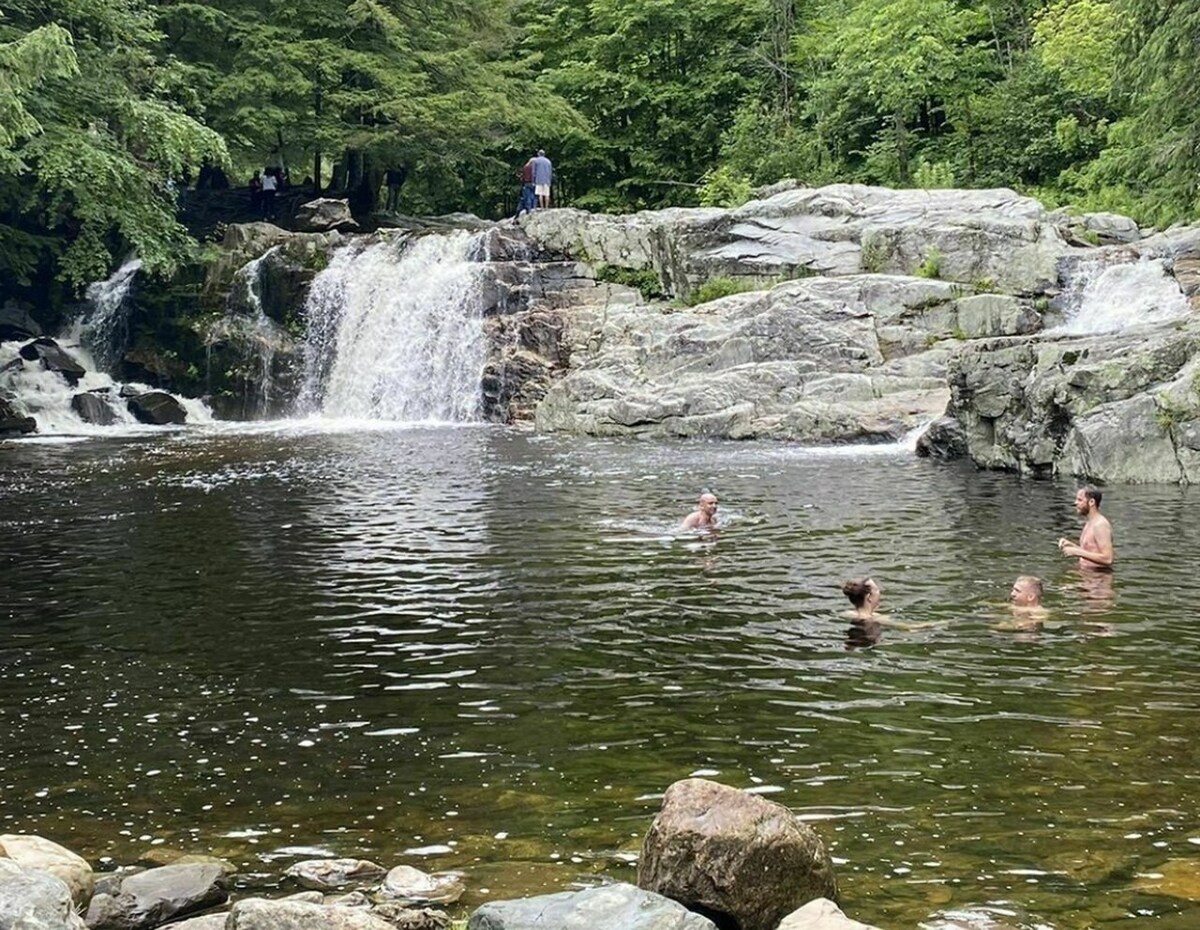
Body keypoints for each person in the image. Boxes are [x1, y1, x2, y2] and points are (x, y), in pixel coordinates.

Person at [1057, 486, 1114, 571]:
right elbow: (1091, 551)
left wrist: (1077, 552)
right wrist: (1072, 546)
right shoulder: (1090, 523)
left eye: (1080, 500)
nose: (1075, 503)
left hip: (1098, 579)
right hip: (1086, 575)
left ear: (1091, 502)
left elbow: (1108, 559)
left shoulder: (1100, 525)